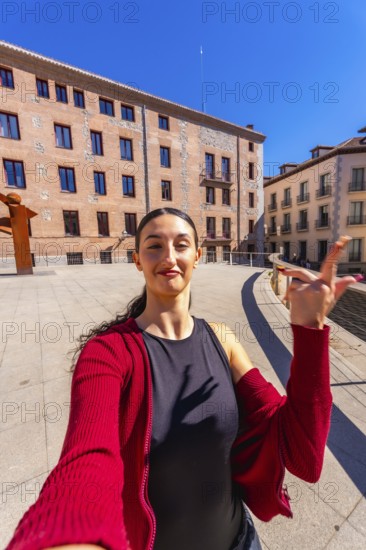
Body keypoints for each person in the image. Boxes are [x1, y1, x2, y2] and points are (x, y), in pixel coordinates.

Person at [5, 208, 359, 550]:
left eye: (181, 244)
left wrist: (309, 329)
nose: (169, 257)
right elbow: (87, 458)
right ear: (137, 259)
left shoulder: (223, 340)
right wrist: (67, 536)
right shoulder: (109, 353)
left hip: (241, 541)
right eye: (154, 245)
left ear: (198, 256)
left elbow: (304, 456)